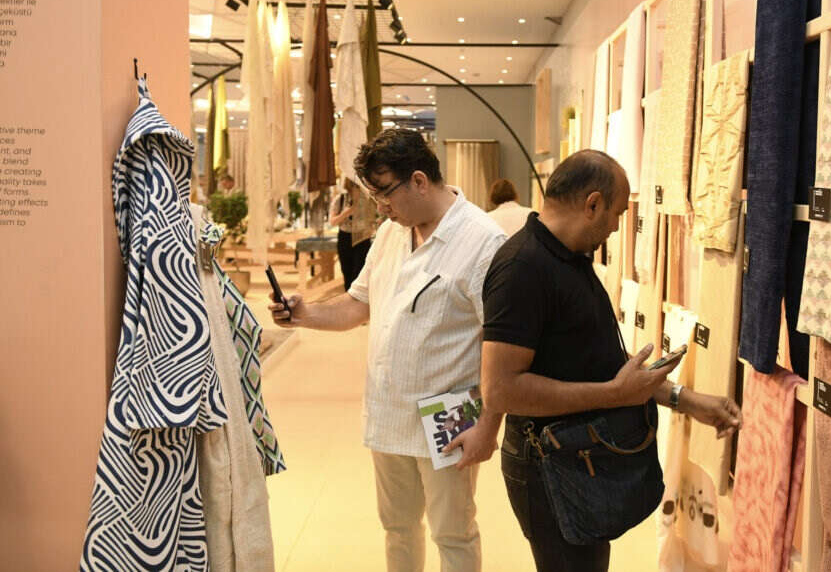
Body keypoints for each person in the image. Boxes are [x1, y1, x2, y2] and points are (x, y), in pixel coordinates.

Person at [480, 149, 742, 571]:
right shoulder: (522, 267)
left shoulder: (568, 258)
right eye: (618, 214)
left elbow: (599, 358)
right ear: (593, 203)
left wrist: (686, 400)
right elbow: (499, 390)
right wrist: (613, 395)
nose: (618, 226)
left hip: (575, 460)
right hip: (550, 468)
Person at [269, 128, 507, 572]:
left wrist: (489, 426)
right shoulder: (391, 234)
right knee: (397, 526)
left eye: (384, 194)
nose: (379, 207)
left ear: (419, 180)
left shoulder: (483, 242)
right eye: (373, 196)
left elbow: (500, 346)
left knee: (453, 532)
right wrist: (304, 314)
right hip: (388, 408)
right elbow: (359, 304)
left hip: (450, 411)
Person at [329, 177, 378, 291]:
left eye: (358, 186)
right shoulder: (341, 199)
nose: (356, 189)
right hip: (345, 237)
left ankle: (359, 298)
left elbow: (376, 217)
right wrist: (347, 212)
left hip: (362, 238)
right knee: (347, 271)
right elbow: (333, 221)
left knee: (360, 274)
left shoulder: (368, 200)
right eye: (354, 185)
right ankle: (348, 296)